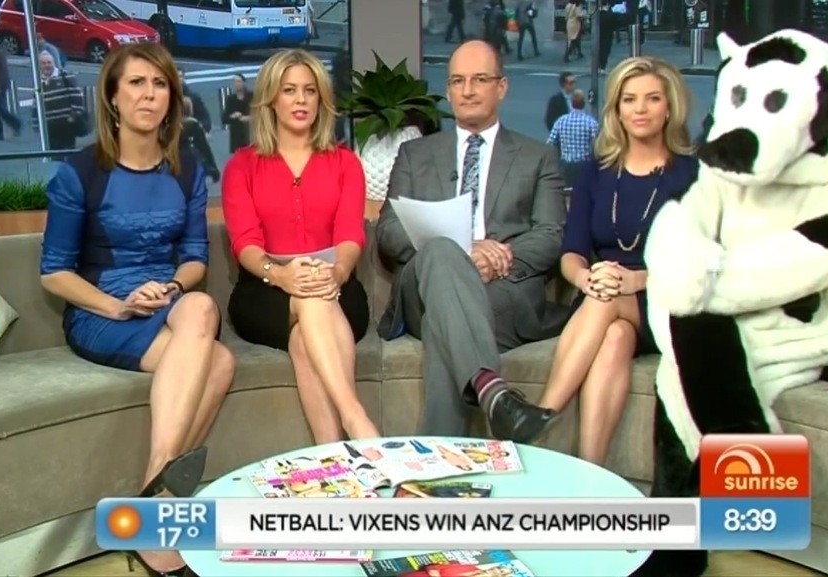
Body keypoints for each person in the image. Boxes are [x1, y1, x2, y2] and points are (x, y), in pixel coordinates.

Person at [39, 42, 235, 577]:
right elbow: (54, 272)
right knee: (218, 362)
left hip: (167, 303)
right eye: (136, 83)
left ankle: (152, 495)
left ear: (172, 98)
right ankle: (159, 511)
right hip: (101, 312)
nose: (149, 95)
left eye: (160, 84)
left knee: (199, 306)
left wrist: (169, 287)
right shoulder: (81, 172)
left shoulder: (186, 171)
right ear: (112, 97)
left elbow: (194, 259)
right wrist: (118, 305)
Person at [376, 40, 568, 442]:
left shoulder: (538, 156)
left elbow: (551, 235)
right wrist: (463, 253)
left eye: (479, 79)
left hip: (504, 292)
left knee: (444, 321)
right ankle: (494, 394)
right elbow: (389, 231)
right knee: (443, 252)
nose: (467, 90)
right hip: (423, 287)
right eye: (457, 81)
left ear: (502, 87)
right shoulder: (414, 154)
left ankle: (447, 447)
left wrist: (502, 256)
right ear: (448, 91)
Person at [537, 57, 698, 466]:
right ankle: (589, 474)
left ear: (669, 107)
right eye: (629, 99)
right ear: (617, 110)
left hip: (665, 299)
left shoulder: (692, 175)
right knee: (614, 339)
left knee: (606, 300)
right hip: (601, 295)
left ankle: (540, 417)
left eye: (652, 99)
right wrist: (585, 279)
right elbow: (572, 250)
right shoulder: (597, 172)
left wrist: (637, 281)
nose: (640, 109)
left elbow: (701, 261)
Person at [222, 49, 379, 443]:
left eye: (310, 91)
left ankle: (334, 455)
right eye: (289, 90)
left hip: (336, 285)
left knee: (305, 334)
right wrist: (281, 275)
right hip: (263, 290)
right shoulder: (242, 166)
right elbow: (245, 243)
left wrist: (337, 272)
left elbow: (350, 235)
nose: (301, 100)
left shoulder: (345, 163)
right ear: (271, 99)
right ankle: (356, 417)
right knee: (309, 299)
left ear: (321, 99)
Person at [32, 51, 82, 159]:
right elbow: (36, 105)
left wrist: (73, 116)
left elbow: (77, 96)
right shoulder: (38, 81)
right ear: (39, 66)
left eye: (49, 62)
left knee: (69, 154)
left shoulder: (65, 76)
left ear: (54, 63)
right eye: (43, 63)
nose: (47, 65)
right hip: (49, 126)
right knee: (54, 155)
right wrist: (36, 124)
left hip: (66, 124)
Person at [221, 73, 251, 152]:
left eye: (238, 81)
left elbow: (260, 114)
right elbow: (224, 119)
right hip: (236, 136)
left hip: (250, 134)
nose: (236, 84)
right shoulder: (231, 99)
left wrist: (249, 118)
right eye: (234, 81)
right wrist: (233, 116)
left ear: (244, 83)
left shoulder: (252, 96)